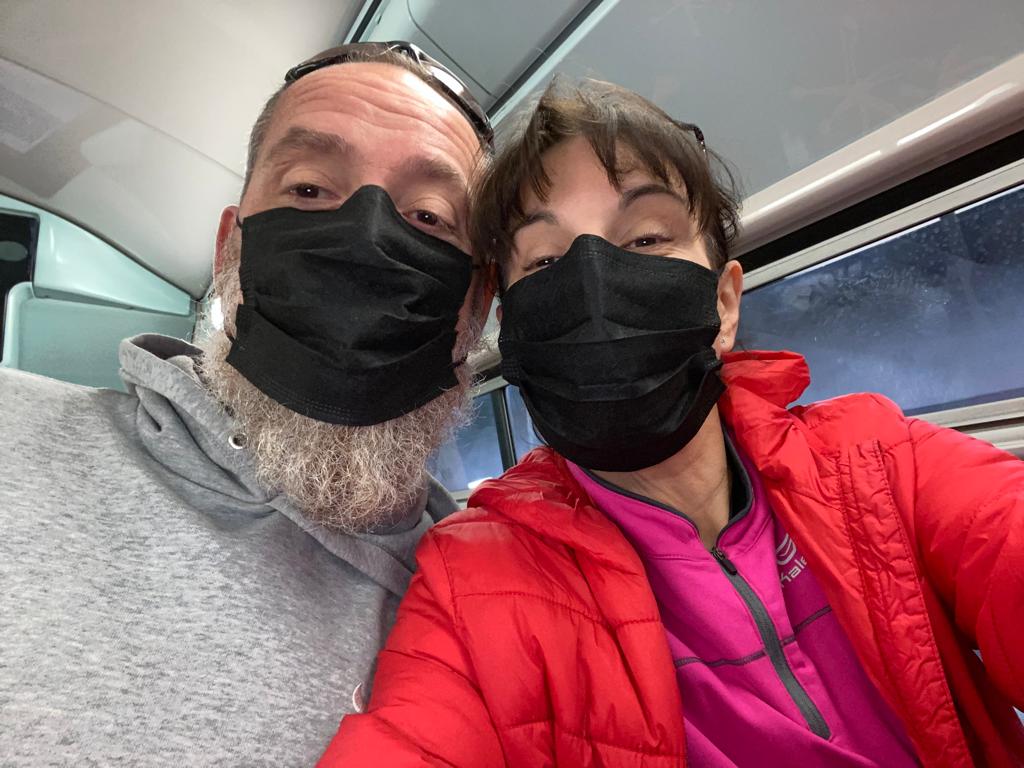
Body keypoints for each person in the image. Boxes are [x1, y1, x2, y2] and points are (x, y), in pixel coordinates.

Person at [320, 79, 1024, 767]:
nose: (594, 279)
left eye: (646, 239)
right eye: (546, 261)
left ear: (724, 303)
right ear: (514, 328)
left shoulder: (879, 464)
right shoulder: (473, 581)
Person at [0, 42, 493, 765]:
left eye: (428, 216)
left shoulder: (499, 609)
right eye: (309, 190)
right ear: (228, 248)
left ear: (479, 303)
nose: (365, 238)